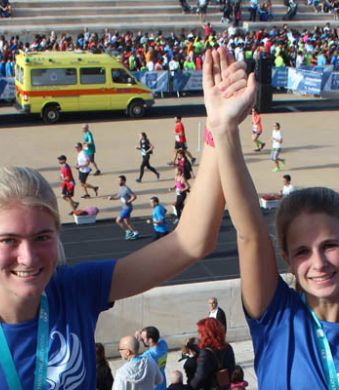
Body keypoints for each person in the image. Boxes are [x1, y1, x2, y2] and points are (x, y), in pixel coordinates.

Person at [0, 47, 247, 388]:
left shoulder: (73, 290)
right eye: (8, 240)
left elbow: (190, 242)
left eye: (41, 237)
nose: (27, 257)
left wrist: (218, 130)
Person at [201, 48, 339, 388]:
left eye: (329, 245)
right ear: (287, 260)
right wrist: (224, 127)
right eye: (302, 251)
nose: (318, 262)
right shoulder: (277, 317)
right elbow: (251, 235)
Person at [190, 318, 236, 389]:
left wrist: (189, 387)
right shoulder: (228, 347)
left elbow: (200, 377)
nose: (199, 335)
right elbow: (232, 369)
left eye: (200, 332)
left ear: (206, 334)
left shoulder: (206, 353)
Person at [108, 175, 139, 240]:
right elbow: (119, 196)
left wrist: (128, 201)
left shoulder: (126, 189)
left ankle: (128, 232)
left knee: (118, 220)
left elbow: (134, 196)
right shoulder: (121, 188)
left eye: (119, 180)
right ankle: (135, 233)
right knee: (127, 222)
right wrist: (112, 198)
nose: (118, 182)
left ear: (124, 181)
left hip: (127, 208)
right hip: (124, 208)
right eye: (117, 180)